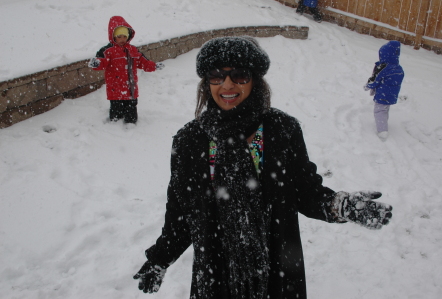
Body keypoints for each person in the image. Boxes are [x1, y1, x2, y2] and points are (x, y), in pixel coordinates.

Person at [133, 36, 393, 299]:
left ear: (255, 80)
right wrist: (159, 259)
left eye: (240, 75)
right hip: (216, 274)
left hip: (277, 270)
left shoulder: (282, 130)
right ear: (206, 82)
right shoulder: (190, 140)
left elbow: (306, 191)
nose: (227, 84)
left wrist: (341, 206)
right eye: (216, 75)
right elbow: (181, 211)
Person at [88, 16, 165, 124]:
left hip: (130, 88)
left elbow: (142, 62)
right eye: (119, 36)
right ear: (113, 36)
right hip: (115, 89)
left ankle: (131, 126)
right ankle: (114, 129)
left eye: (125, 36)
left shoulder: (132, 50)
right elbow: (102, 62)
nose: (122, 39)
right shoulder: (107, 51)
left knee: (131, 115)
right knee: (116, 115)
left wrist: (154, 66)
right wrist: (96, 63)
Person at [364, 40, 405, 141]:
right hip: (392, 94)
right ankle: (383, 124)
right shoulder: (399, 68)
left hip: (382, 94)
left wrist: (368, 86)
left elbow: (376, 79)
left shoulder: (384, 67)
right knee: (385, 110)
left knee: (379, 111)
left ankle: (382, 131)